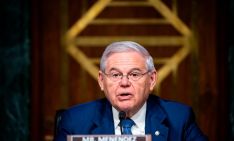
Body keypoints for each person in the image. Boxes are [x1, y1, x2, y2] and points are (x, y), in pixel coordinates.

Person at [54, 41, 208, 141]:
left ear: (152, 79)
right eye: (115, 75)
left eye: (134, 74)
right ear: (101, 81)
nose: (124, 83)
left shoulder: (179, 118)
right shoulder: (75, 121)